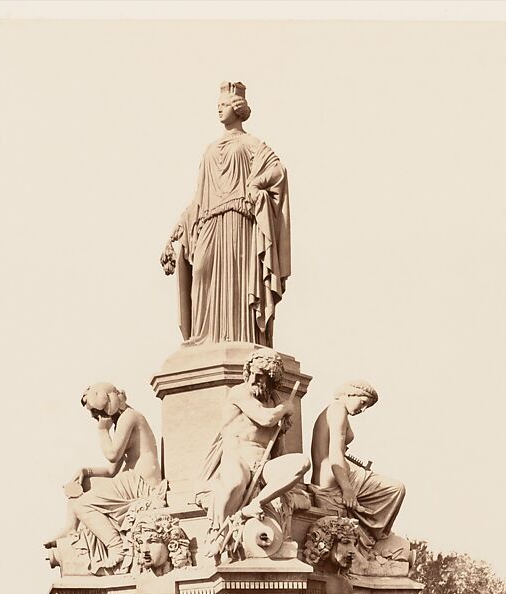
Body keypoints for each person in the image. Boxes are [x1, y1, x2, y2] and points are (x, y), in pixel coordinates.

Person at [161, 81, 290, 346]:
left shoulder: (252, 144)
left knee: (238, 285)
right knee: (202, 274)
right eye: (217, 105)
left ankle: (241, 337)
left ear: (238, 107)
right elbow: (199, 196)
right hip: (209, 223)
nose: (219, 110)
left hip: (239, 223)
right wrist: (174, 232)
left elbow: (278, 171)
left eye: (224, 105)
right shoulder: (209, 149)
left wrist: (255, 185)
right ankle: (203, 338)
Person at [196, 349, 308, 557]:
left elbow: (278, 451)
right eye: (253, 373)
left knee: (301, 463)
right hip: (236, 456)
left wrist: (282, 432)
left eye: (261, 375)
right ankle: (218, 535)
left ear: (271, 378)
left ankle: (257, 503)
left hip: (263, 464)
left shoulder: (274, 402)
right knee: (235, 482)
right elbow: (264, 419)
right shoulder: (239, 392)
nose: (255, 379)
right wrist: (285, 408)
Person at [46, 383, 165, 573]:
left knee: (82, 505)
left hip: (141, 483)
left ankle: (116, 547)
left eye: (95, 412)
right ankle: (71, 527)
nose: (95, 417)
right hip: (131, 479)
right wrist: (85, 471)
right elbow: (111, 470)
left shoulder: (129, 417)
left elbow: (112, 455)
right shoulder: (123, 420)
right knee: (82, 485)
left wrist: (102, 431)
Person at [309, 381, 408, 556]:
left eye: (367, 407)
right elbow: (334, 453)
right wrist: (347, 489)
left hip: (335, 476)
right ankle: (375, 541)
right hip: (335, 480)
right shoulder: (338, 409)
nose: (363, 410)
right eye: (363, 403)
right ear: (350, 394)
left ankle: (371, 539)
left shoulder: (334, 411)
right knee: (396, 489)